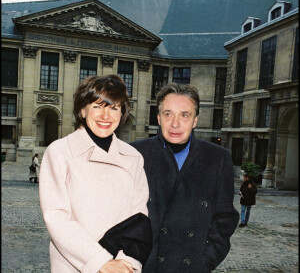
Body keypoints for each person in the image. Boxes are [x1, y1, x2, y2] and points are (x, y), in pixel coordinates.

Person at [39, 75, 151, 273]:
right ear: (83, 109)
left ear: (122, 112)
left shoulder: (133, 157)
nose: (105, 116)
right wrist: (100, 261)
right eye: (97, 106)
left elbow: (139, 218)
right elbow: (57, 218)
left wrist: (127, 263)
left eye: (113, 107)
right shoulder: (59, 153)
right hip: (76, 265)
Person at [131, 83, 239, 273]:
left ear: (195, 120)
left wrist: (203, 263)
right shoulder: (136, 154)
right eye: (168, 114)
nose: (175, 123)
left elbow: (225, 219)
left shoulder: (217, 158)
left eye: (184, 115)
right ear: (158, 118)